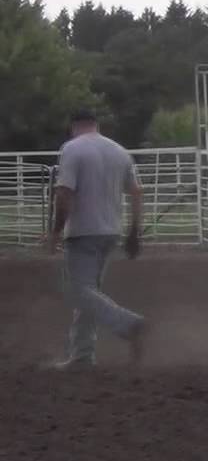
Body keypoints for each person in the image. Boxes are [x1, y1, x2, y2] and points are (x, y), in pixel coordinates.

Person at [44, 109, 150, 370]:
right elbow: (136, 192)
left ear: (73, 126)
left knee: (78, 290)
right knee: (90, 292)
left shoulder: (72, 149)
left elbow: (64, 193)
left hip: (82, 231)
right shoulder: (120, 151)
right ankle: (82, 355)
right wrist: (134, 232)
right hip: (111, 231)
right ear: (96, 125)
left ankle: (128, 323)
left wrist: (55, 232)